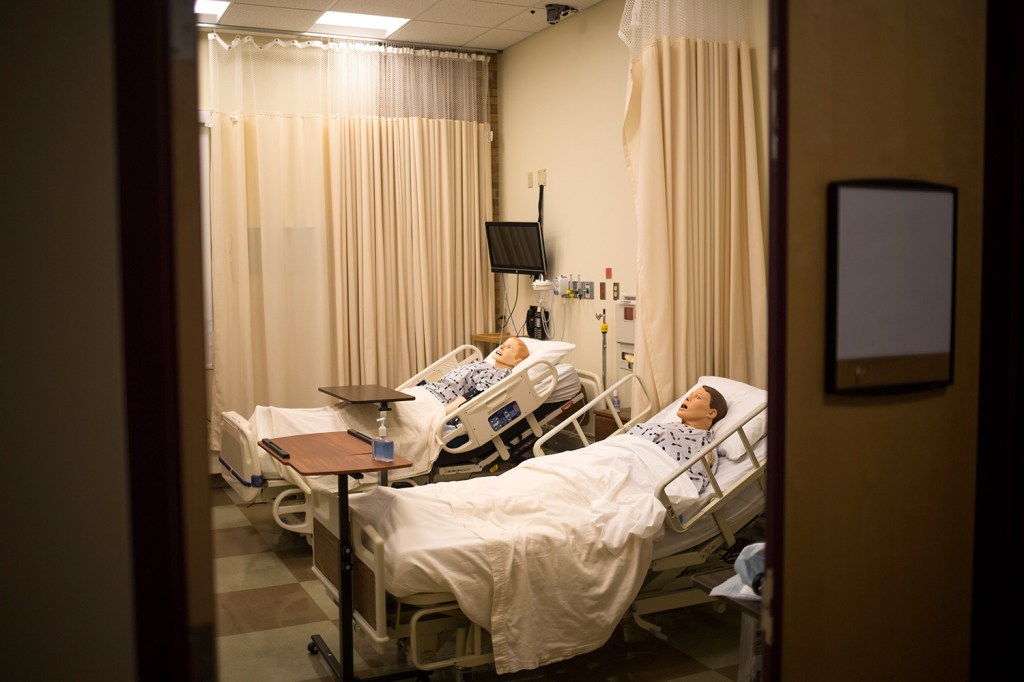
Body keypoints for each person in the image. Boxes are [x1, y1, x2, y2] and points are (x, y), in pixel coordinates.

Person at [627, 384, 729, 494]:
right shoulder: (669, 426)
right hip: (622, 454)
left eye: (698, 397)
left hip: (639, 476)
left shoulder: (703, 443)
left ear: (711, 413)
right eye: (690, 395)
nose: (687, 398)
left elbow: (689, 482)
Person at [422, 337, 530, 415]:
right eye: (503, 344)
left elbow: (475, 395)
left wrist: (442, 413)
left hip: (437, 402)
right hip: (429, 390)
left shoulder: (500, 375)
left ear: (517, 361)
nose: (501, 347)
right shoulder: (484, 365)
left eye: (509, 347)